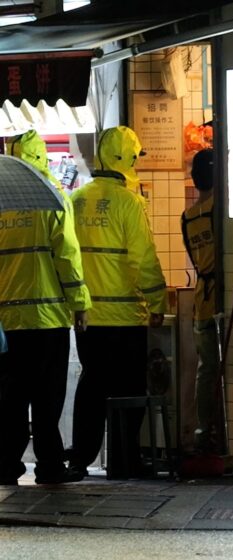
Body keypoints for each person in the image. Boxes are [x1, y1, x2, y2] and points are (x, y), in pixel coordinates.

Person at [67, 126, 168, 479]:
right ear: (127, 159)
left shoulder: (76, 200)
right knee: (127, 390)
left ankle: (80, 458)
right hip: (125, 317)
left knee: (92, 385)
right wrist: (157, 302)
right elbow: (143, 259)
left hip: (88, 318)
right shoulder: (129, 203)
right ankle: (124, 462)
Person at [1, 131, 91, 485]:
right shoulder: (51, 199)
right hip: (48, 318)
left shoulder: (2, 201)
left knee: (11, 396)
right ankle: (50, 465)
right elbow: (66, 257)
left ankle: (6, 463)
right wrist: (80, 304)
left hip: (8, 320)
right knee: (47, 397)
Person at [180, 148, 220, 452]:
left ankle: (204, 431)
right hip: (220, 297)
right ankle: (218, 430)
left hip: (201, 301)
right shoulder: (223, 210)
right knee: (220, 368)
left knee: (206, 370)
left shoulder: (188, 217)